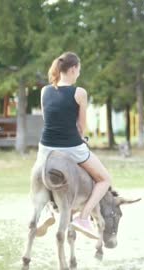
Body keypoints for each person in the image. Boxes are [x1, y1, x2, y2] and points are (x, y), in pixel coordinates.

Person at [36, 52, 111, 239]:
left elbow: (47, 119)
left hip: (46, 147)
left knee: (39, 174)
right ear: (72, 69)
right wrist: (83, 138)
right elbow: (81, 126)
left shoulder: (45, 91)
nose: (79, 74)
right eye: (79, 70)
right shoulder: (80, 92)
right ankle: (84, 218)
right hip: (71, 146)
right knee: (104, 180)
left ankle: (46, 210)